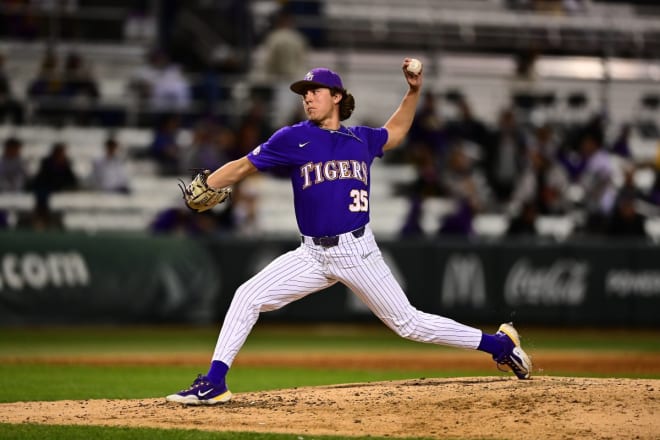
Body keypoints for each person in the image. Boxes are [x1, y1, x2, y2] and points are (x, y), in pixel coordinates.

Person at [166, 61, 532, 405]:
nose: (307, 96)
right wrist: (210, 182)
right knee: (247, 295)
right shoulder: (293, 138)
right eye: (304, 92)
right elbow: (244, 165)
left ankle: (499, 346)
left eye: (315, 90)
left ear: (337, 97)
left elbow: (398, 131)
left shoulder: (361, 139)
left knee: (408, 324)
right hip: (310, 254)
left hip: (358, 252)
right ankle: (215, 382)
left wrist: (413, 91)